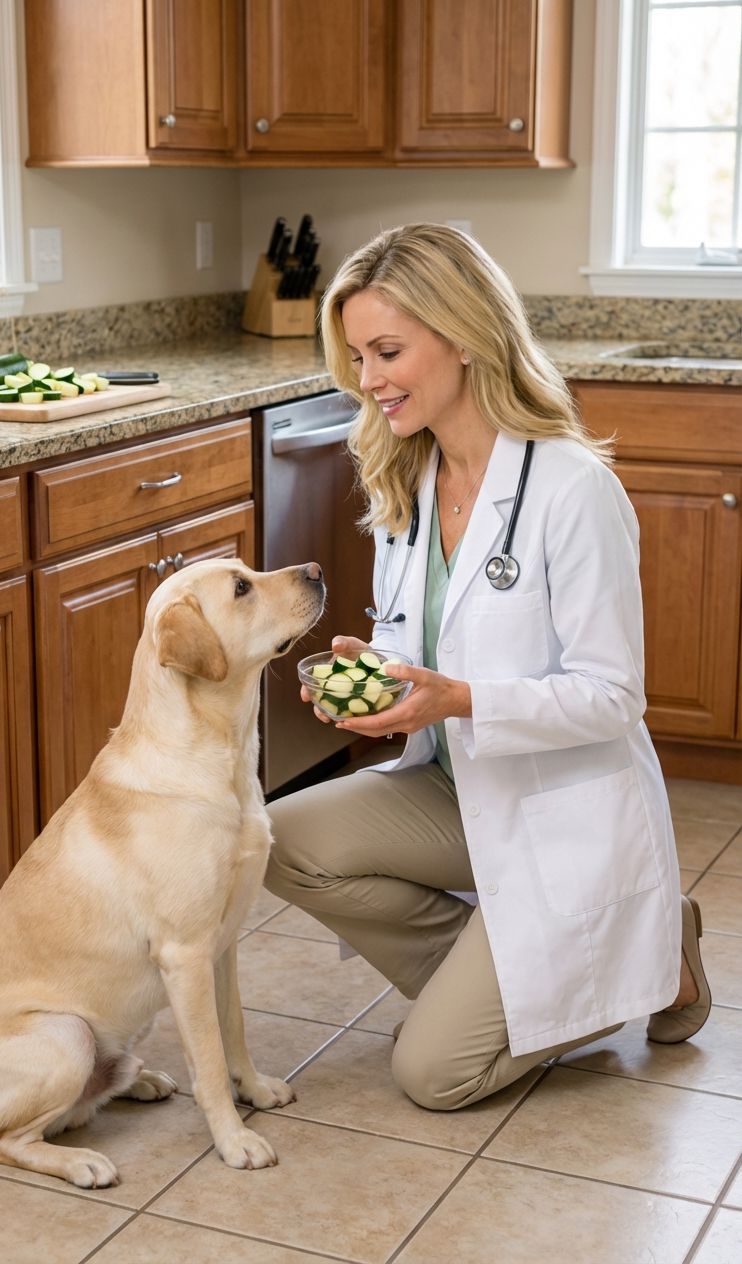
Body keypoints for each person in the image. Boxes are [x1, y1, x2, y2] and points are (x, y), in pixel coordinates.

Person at [264, 224, 711, 1111]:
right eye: (356, 356)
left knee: (434, 1075)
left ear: (463, 335)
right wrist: (378, 669)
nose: (367, 380)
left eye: (387, 351)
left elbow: (615, 696)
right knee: (277, 839)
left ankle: (653, 960)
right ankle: (535, 975)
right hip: (460, 788)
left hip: (562, 806)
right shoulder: (410, 475)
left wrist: (458, 697)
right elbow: (413, 634)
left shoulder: (571, 487)